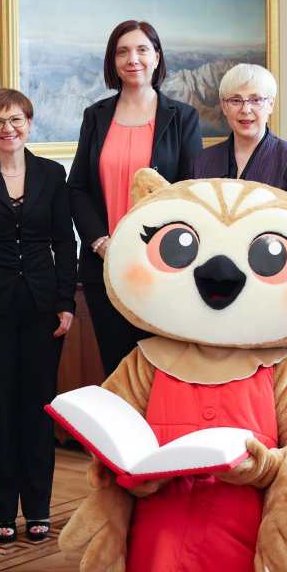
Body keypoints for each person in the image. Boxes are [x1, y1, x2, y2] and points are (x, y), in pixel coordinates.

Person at [0, 88, 76, 544]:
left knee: (39, 408)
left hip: (43, 308)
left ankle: (38, 507)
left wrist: (67, 301)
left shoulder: (52, 173)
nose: (8, 128)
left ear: (29, 123)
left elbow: (64, 241)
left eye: (16, 119)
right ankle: (2, 510)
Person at [68, 20, 202, 378]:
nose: (133, 59)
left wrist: (158, 248)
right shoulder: (95, 116)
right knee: (118, 371)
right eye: (123, 52)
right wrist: (100, 242)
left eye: (143, 50)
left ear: (157, 57)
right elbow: (77, 187)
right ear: (113, 62)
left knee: (163, 372)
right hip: (106, 265)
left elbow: (189, 192)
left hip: (163, 267)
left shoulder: (183, 117)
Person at [190, 63, 287, 196]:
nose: (245, 110)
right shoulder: (201, 162)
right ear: (224, 106)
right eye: (236, 100)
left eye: (256, 100)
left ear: (271, 105)